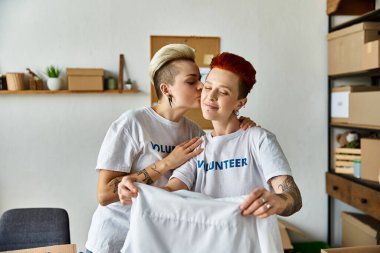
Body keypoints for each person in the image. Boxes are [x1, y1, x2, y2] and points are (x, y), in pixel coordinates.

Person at [119, 52, 302, 252]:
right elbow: (170, 193)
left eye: (223, 92)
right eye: (207, 87)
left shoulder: (258, 139)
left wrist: (277, 201)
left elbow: (293, 196)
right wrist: (137, 191)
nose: (210, 96)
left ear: (240, 103)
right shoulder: (197, 146)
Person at [85, 44, 255, 253]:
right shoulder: (133, 123)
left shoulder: (194, 133)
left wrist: (241, 124)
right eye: (192, 81)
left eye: (200, 79)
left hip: (155, 242)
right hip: (112, 242)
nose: (201, 87)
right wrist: (167, 163)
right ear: (166, 89)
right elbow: (104, 194)